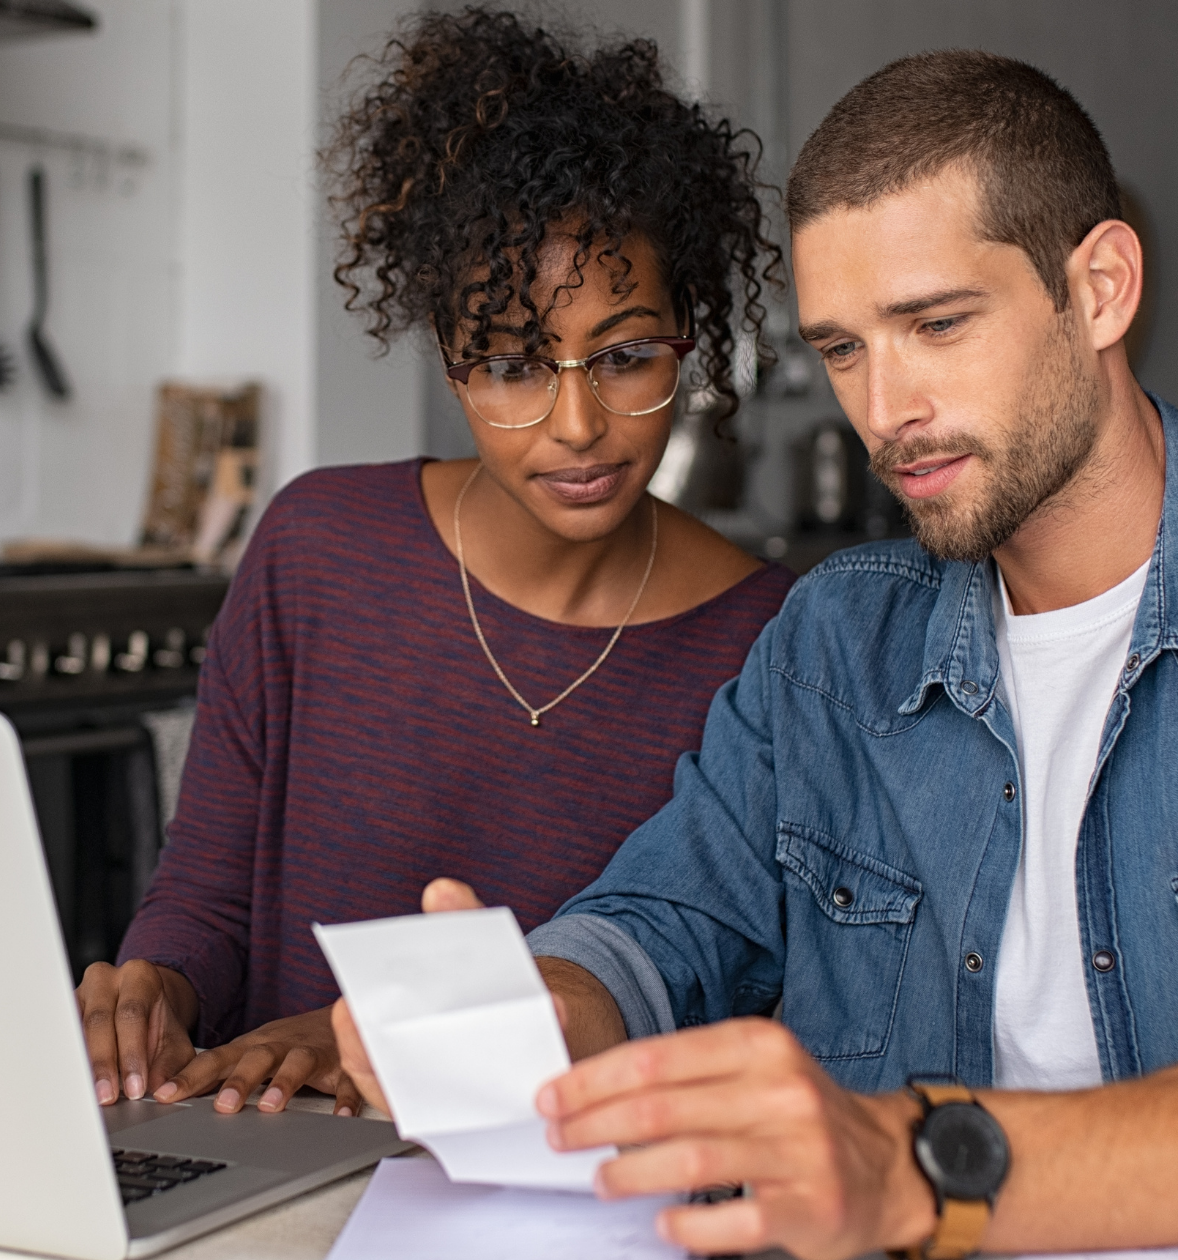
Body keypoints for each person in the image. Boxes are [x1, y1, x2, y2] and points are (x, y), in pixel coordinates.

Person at [333, 49, 1178, 1259]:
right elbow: (661, 923)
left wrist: (919, 1168)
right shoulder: (834, 640)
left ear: (1099, 289)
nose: (883, 409)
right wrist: (538, 1009)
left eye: (933, 323)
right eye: (844, 347)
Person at [77, 8, 794, 1120]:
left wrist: (369, 1040)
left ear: (688, 342)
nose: (574, 424)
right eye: (510, 363)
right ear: (451, 366)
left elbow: (717, 999)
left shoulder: (768, 642)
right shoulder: (315, 549)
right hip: (269, 1161)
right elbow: (207, 899)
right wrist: (154, 988)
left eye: (625, 356)